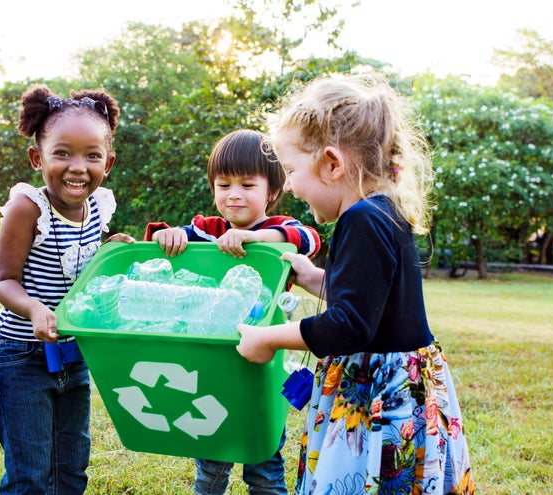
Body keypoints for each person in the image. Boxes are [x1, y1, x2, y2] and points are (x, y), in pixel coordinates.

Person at [236, 75, 475, 494]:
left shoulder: (361, 219)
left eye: (291, 171)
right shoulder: (382, 210)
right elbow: (369, 302)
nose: (288, 185)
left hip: (381, 395)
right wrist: (312, 277)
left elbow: (349, 325)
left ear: (332, 164)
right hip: (403, 383)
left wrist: (269, 338)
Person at [144, 128, 321, 495]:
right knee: (211, 460)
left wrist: (252, 237)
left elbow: (307, 238)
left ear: (272, 191)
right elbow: (167, 241)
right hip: (212, 362)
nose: (234, 194)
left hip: (263, 365)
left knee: (265, 465)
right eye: (223, 185)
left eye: (247, 185)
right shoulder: (208, 231)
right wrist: (168, 236)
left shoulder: (278, 229)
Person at [0, 83, 134, 494]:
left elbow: (79, 268)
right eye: (62, 152)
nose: (77, 167)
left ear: (109, 162)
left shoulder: (99, 206)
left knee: (71, 468)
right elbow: (4, 280)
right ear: (38, 158)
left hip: (74, 355)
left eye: (92, 155)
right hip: (21, 357)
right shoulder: (26, 208)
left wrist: (108, 251)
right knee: (31, 473)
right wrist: (34, 309)